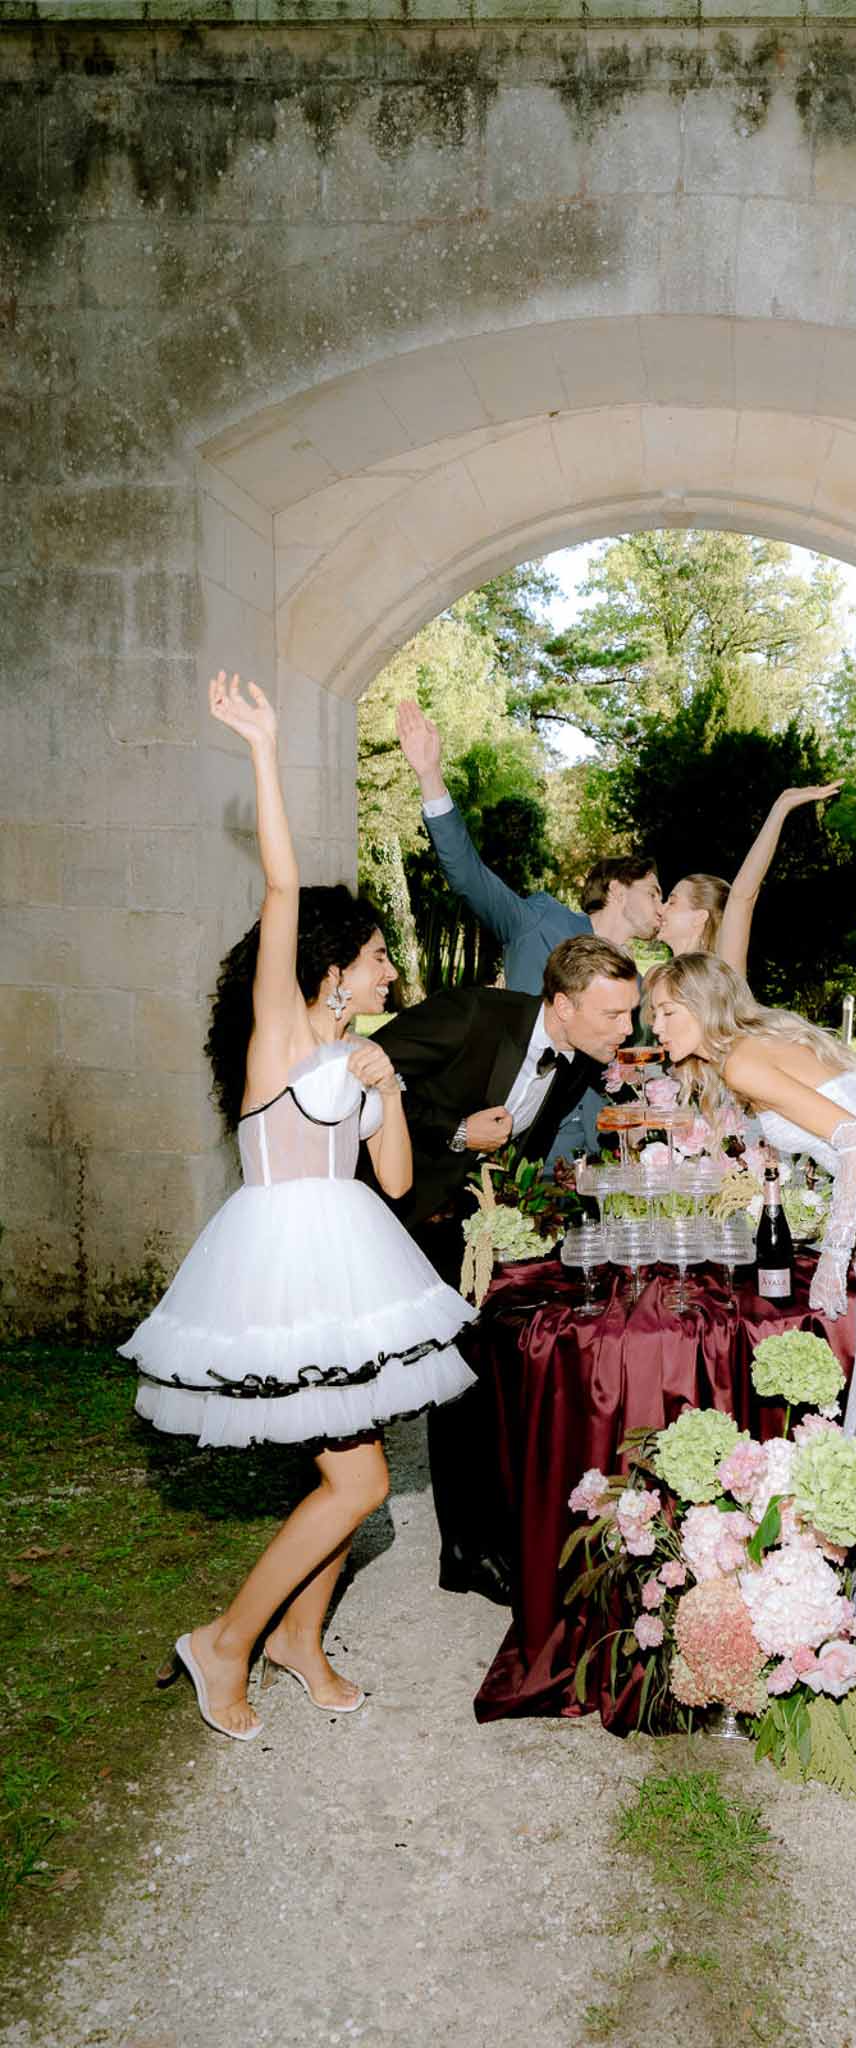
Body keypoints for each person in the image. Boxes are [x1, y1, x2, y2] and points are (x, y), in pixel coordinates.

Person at [121, 673, 478, 1741]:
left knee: (358, 1478)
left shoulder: (351, 1052)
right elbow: (280, 888)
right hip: (280, 1267)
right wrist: (266, 750)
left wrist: (384, 1086)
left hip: (351, 1262)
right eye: (375, 955)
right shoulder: (277, 1034)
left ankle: (296, 1639)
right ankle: (227, 1638)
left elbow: (402, 1181)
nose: (388, 967)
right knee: (358, 1482)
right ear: (334, 965)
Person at [374, 933, 639, 1598]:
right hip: (397, 1209)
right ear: (561, 1004)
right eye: (613, 1015)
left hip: (477, 1217)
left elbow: (533, 1136)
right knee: (458, 1376)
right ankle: (467, 1549)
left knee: (484, 1366)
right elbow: (369, 1073)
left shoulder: (580, 1053)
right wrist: (460, 1130)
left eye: (630, 1012)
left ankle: (474, 1546)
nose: (626, 1028)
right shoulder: (473, 1015)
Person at [646, 953, 856, 1431]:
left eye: (667, 1012)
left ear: (703, 1008)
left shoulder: (742, 1061)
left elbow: (854, 1137)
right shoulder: (748, 1049)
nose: (655, 1026)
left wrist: (835, 1250)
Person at [396, 699, 660, 1161]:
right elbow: (468, 876)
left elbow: (614, 1070)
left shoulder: (634, 984)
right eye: (654, 892)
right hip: (491, 1145)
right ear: (618, 889)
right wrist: (429, 776)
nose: (661, 906)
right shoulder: (537, 921)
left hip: (589, 1155)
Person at [655, 782, 843, 982]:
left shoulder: (721, 972)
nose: (661, 908)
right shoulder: (658, 978)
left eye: (672, 902)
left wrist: (781, 808)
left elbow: (742, 896)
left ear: (699, 917)